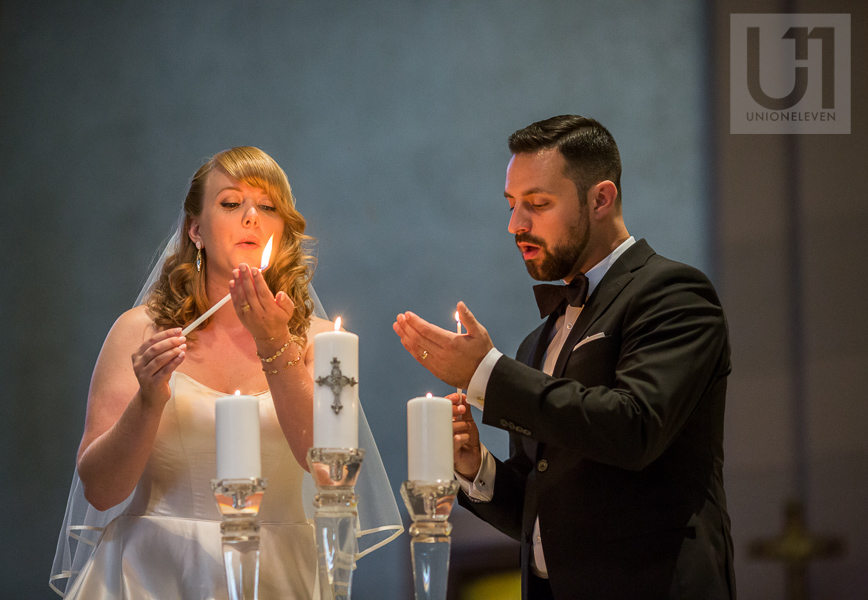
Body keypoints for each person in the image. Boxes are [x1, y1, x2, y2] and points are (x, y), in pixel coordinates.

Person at [393, 115, 735, 599]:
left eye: (537, 204)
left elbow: (633, 427)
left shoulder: (673, 293)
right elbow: (541, 514)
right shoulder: (538, 341)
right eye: (512, 205)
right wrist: (475, 467)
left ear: (601, 199)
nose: (516, 225)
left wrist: (485, 373)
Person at [50, 147, 401, 599]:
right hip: (152, 571)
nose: (251, 216)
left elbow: (330, 471)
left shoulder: (319, 342)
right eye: (232, 203)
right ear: (196, 229)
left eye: (268, 206)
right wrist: (148, 399)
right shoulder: (140, 331)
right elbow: (99, 490)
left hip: (277, 569)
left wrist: (276, 346)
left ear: (283, 231)